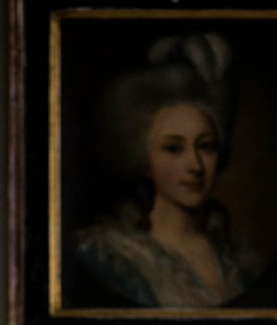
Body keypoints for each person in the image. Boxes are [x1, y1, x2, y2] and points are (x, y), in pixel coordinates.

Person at [74, 34, 263, 309]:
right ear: (143, 161)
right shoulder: (109, 256)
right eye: (174, 149)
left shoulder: (239, 261)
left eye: (206, 147)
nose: (196, 166)